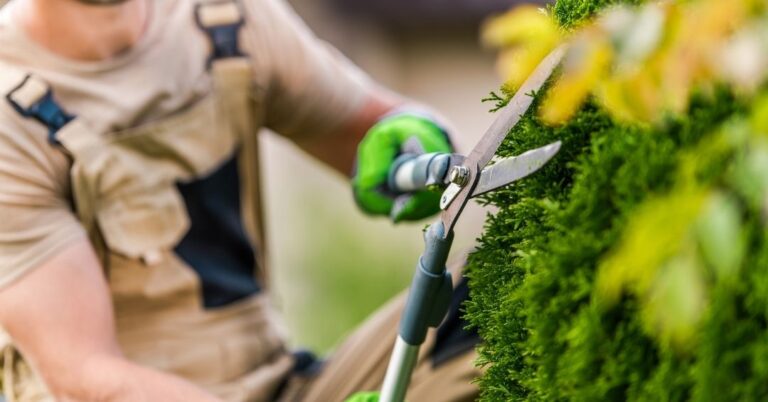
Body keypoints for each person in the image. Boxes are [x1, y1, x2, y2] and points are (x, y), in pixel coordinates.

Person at [0, 0, 481, 401]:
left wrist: (418, 143)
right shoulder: (10, 108)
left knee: (492, 288)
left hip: (282, 386)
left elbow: (373, 131)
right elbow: (87, 378)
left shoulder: (224, 18)